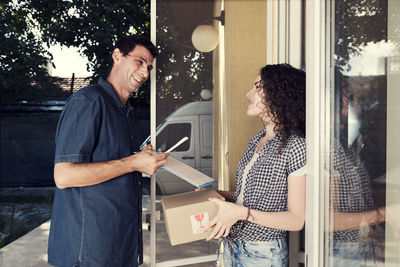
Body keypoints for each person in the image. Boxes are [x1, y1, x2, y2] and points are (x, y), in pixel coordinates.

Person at [47, 35, 169, 267]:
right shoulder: (89, 102)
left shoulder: (124, 111)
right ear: (117, 56)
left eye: (149, 67)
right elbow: (64, 176)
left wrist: (140, 158)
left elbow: (115, 162)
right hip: (89, 251)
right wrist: (133, 162)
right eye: (140, 61)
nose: (145, 72)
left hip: (117, 246)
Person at [205, 64, 307, 267]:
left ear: (280, 93)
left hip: (262, 253)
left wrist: (241, 213)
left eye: (258, 87)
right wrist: (217, 195)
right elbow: (250, 196)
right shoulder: (257, 140)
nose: (249, 93)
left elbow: (296, 220)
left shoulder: (296, 146)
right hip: (233, 244)